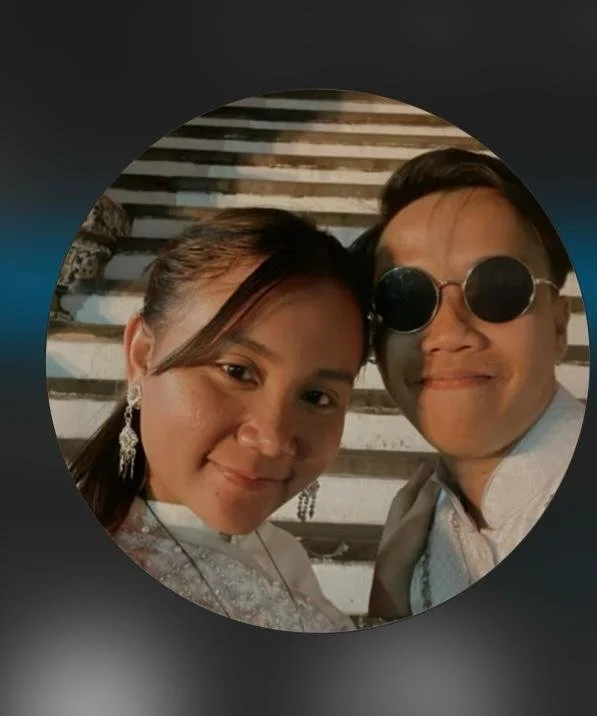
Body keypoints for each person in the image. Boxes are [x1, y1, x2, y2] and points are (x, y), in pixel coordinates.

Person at [67, 207, 370, 632]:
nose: (272, 438)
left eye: (316, 397)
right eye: (237, 371)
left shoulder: (282, 555)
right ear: (142, 354)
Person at [349, 148, 585, 618]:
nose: (448, 334)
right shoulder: (418, 534)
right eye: (404, 297)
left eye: (496, 288)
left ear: (559, 326)